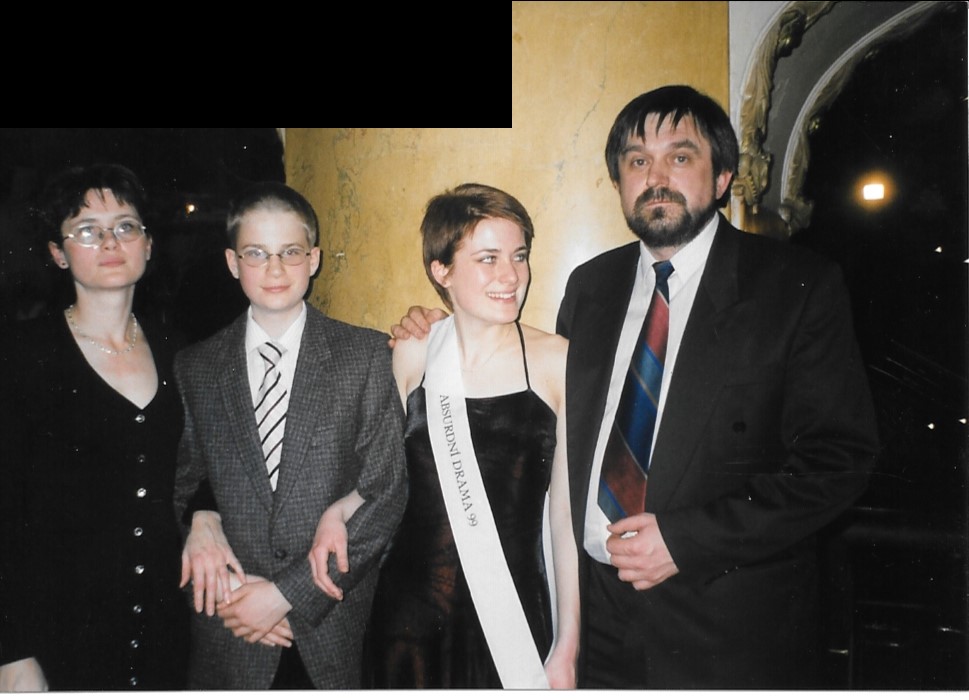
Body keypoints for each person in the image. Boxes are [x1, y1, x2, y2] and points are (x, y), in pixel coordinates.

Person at [390, 85, 880, 689]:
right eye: (637, 160)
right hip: (593, 629)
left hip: (724, 631)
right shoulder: (590, 287)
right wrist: (435, 330)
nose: (656, 177)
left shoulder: (794, 286)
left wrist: (687, 539)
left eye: (680, 156)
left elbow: (839, 461)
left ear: (723, 177)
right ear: (619, 181)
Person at [308, 183, 579, 689]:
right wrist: (336, 512)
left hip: (512, 620)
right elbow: (384, 480)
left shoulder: (557, 360)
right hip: (408, 622)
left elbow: (564, 518)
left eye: (519, 256)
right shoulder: (413, 354)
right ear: (442, 271)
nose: (511, 276)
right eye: (488, 258)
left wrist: (568, 643)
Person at [171, 181, 408, 689]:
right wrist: (229, 587)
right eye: (257, 253)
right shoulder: (196, 367)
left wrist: (287, 595)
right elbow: (185, 485)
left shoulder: (365, 356)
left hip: (329, 627)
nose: (275, 269)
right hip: (231, 625)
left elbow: (386, 492)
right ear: (232, 263)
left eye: (290, 252)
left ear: (313, 259)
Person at [0, 164, 189, 690]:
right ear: (58, 253)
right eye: (87, 230)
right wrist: (12, 651)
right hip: (59, 637)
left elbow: (203, 470)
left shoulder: (182, 354)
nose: (110, 242)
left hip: (167, 634)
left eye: (125, 226)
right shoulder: (20, 357)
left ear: (148, 244)